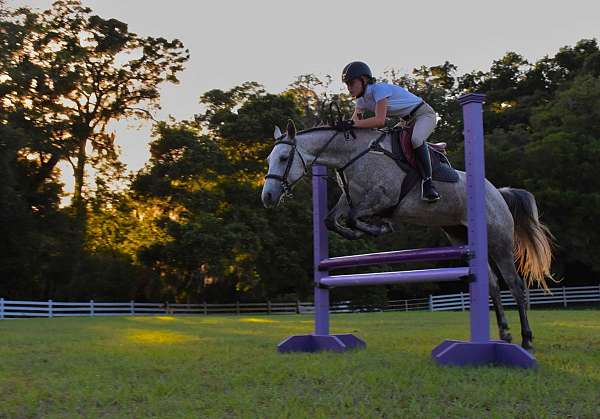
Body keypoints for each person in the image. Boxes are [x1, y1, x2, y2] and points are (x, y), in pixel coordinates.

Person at [339, 61, 440, 202]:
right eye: (347, 84)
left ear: (364, 80)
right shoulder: (361, 101)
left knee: (416, 140)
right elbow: (355, 123)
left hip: (423, 115)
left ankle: (428, 183)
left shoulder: (379, 89)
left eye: (351, 83)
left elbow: (380, 121)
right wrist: (344, 126)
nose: (349, 88)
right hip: (406, 121)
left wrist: (353, 123)